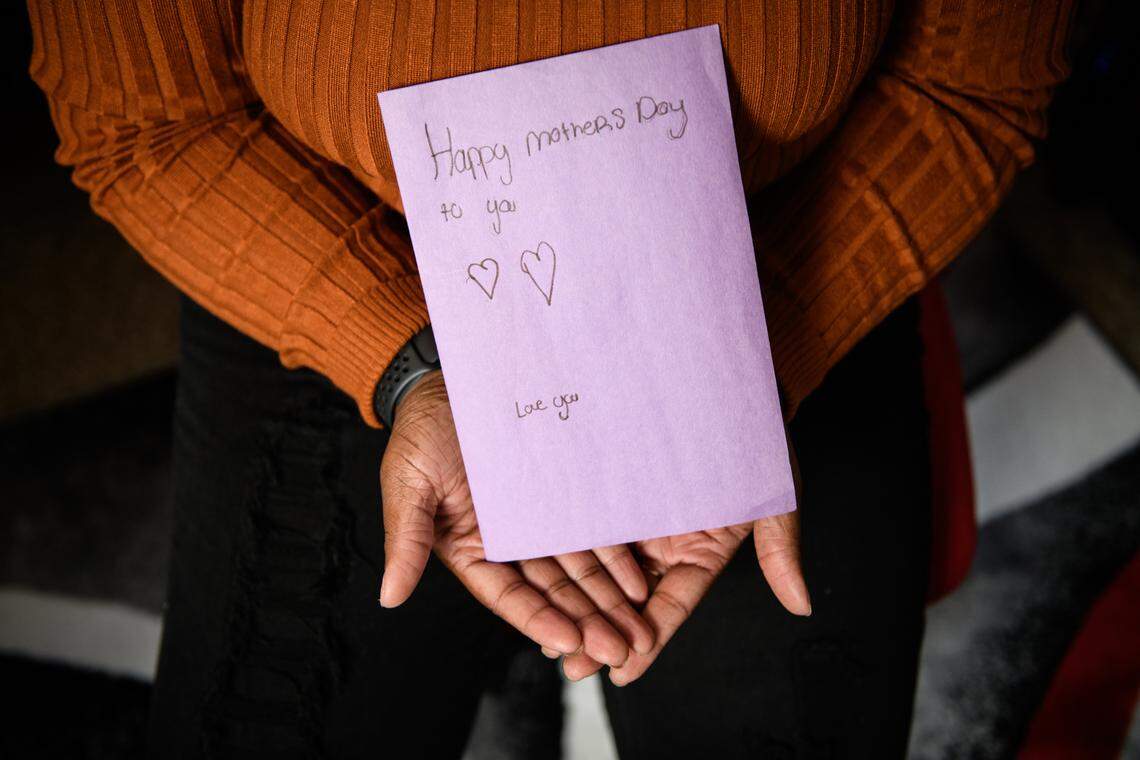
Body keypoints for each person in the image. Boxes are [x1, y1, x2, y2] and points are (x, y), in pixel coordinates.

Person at [29, 1, 1075, 757]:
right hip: (354, 272)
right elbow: (143, 120)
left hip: (772, 281)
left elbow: (971, 79)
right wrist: (411, 368)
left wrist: (735, 379)